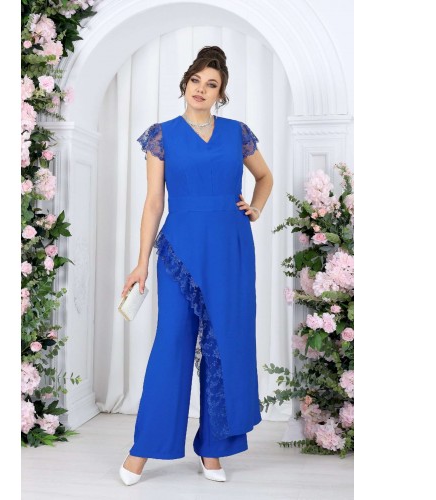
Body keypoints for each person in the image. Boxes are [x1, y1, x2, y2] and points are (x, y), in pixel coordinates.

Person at [119, 46, 274, 485]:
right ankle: (142, 450)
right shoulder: (161, 135)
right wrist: (141, 263)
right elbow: (154, 202)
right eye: (196, 81)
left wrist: (256, 208)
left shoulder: (237, 133)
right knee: (172, 342)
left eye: (212, 85)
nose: (201, 90)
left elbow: (265, 177)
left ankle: (213, 449)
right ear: (185, 83)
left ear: (221, 93)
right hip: (179, 250)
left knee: (226, 342)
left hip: (230, 248)